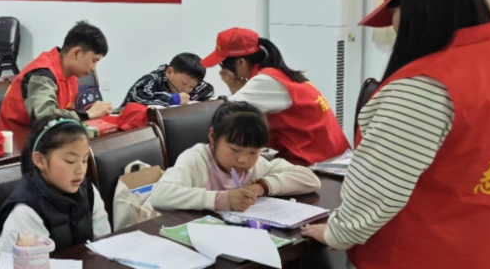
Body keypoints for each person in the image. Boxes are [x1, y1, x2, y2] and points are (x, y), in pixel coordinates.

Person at [301, 0, 490, 269]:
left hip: (420, 254)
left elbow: (378, 186)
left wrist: (337, 233)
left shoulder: (426, 85)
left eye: (393, 13)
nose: (394, 27)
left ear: (416, 9)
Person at [200, 27, 349, 166]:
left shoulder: (266, 81)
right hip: (332, 153)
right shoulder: (278, 74)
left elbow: (224, 112)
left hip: (318, 162)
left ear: (241, 62)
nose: (223, 70)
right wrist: (235, 87)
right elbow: (244, 110)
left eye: (223, 65)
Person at [151, 101, 320, 212]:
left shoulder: (256, 166)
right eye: (234, 149)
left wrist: (261, 186)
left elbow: (310, 180)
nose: (243, 160)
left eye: (253, 152)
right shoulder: (196, 159)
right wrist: (221, 199)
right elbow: (159, 195)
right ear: (213, 136)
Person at [0, 116, 111, 259]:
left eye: (84, 160)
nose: (81, 170)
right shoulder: (26, 212)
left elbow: (104, 245)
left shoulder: (88, 191)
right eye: (70, 161)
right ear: (40, 160)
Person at [0, 21, 113, 134]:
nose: (94, 68)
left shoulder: (70, 75)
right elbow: (44, 117)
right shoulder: (42, 74)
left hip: (48, 135)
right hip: (18, 141)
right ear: (76, 53)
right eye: (94, 60)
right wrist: (88, 114)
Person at [121, 52, 214, 107]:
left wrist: (189, 97)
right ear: (169, 72)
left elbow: (208, 89)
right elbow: (139, 96)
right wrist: (172, 99)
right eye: (184, 83)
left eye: (192, 86)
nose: (186, 89)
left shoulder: (191, 84)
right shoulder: (153, 79)